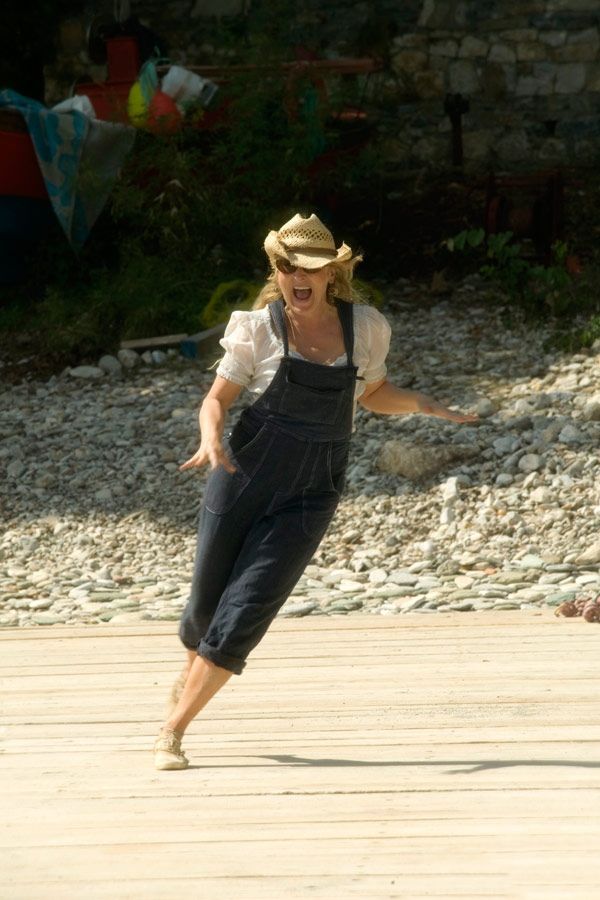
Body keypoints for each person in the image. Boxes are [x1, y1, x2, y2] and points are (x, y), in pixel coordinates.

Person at [153, 213, 477, 770]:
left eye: (309, 268)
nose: (296, 277)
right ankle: (190, 671)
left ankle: (173, 731)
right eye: (286, 267)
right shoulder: (257, 328)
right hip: (240, 478)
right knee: (206, 609)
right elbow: (217, 400)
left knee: (247, 608)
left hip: (312, 492)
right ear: (277, 271)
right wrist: (210, 439)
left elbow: (373, 394)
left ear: (332, 272)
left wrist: (423, 405)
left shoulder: (366, 328)